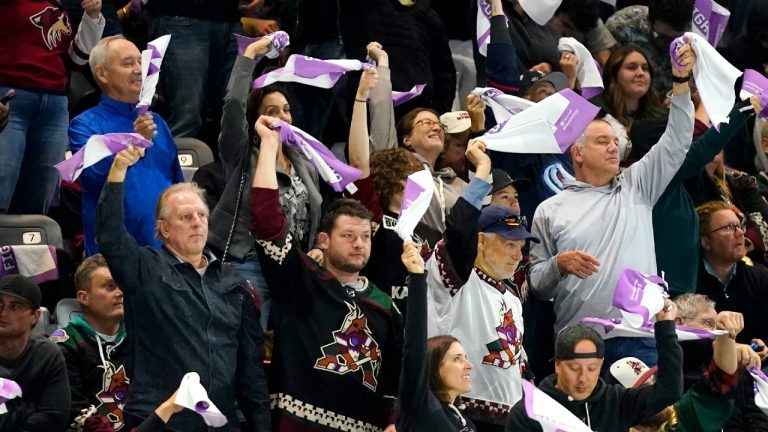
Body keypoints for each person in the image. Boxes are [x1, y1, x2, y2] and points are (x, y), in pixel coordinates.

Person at [528, 41, 696, 367]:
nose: (613, 149)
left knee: (647, 420)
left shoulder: (638, 186)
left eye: (616, 143)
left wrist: (680, 83)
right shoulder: (550, 209)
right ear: (577, 152)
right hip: (579, 345)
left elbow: (677, 139)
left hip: (641, 339)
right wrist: (559, 264)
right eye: (602, 141)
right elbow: (536, 284)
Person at [95, 147, 270, 431]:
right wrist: (117, 174)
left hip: (221, 422)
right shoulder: (144, 268)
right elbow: (110, 236)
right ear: (163, 228)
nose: (197, 223)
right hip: (162, 421)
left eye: (201, 215)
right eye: (186, 217)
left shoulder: (233, 282)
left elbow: (250, 370)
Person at [250, 114, 402, 431]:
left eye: (365, 237)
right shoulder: (300, 279)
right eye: (348, 236)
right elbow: (266, 222)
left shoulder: (385, 307)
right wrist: (268, 146)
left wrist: (391, 422)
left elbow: (392, 383)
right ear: (324, 240)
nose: (359, 244)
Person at [208, 38, 322, 330]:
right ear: (256, 117)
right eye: (272, 111)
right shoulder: (242, 152)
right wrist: (250, 55)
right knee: (250, 348)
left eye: (285, 109)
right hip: (249, 263)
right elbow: (233, 103)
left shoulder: (305, 162)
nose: (282, 116)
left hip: (293, 268)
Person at [426, 140, 539, 430]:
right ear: (480, 241)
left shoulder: (512, 297)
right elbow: (459, 227)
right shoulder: (457, 279)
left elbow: (517, 364)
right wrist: (483, 169)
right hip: (463, 415)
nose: (518, 253)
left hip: (510, 421)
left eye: (521, 246)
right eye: (507, 244)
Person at [69, 35, 183, 257]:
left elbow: (176, 185)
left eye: (141, 62)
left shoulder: (157, 122)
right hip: (115, 256)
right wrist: (135, 139)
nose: (139, 69)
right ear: (102, 74)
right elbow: (97, 176)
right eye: (128, 63)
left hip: (167, 251)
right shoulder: (84, 125)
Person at [504, 301, 683, 431]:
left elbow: (670, 391)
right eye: (574, 368)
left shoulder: (617, 402)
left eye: (592, 368)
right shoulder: (527, 413)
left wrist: (665, 327)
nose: (583, 378)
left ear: (601, 365)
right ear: (557, 365)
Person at [652, 96, 763, 298]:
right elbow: (706, 146)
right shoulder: (656, 177)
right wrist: (742, 110)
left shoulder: (674, 182)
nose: (614, 147)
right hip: (660, 294)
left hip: (684, 295)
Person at [0, 0, 104, 214]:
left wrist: (92, 16)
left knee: (41, 194)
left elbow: (78, 58)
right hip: (10, 99)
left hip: (55, 106)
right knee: (2, 184)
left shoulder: (60, 4)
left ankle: (28, 248)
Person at [397, 241, 477, 431]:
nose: (469, 365)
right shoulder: (421, 406)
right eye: (457, 359)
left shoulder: (466, 424)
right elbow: (414, 350)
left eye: (465, 358)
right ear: (432, 367)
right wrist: (417, 280)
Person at [144, 0, 251, 138]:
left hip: (230, 19)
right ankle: (173, 159)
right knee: (187, 117)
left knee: (236, 115)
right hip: (179, 16)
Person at [51, 254, 130, 431]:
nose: (120, 292)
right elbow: (74, 413)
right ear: (83, 297)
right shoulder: (63, 345)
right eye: (110, 286)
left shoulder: (140, 338)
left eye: (121, 285)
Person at [0, 275, 70, 431]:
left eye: (15, 306)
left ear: (35, 316)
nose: (3, 312)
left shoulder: (48, 355)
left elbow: (54, 420)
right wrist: (27, 409)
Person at [695, 201, 768, 344]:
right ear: (706, 242)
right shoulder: (690, 283)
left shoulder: (759, 277)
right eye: (729, 228)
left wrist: (764, 346)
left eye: (739, 226)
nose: (740, 233)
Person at [396, 107, 469, 232]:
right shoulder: (394, 172)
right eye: (427, 123)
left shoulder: (458, 184)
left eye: (439, 125)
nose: (436, 128)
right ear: (407, 139)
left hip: (449, 250)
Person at [591, 46, 667, 165]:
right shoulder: (595, 112)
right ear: (614, 75)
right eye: (631, 67)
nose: (640, 73)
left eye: (645, 69)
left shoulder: (660, 115)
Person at [606, 0, 695, 95]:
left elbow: (697, 82)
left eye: (678, 39)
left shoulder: (695, 36)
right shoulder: (622, 25)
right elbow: (608, 73)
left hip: (672, 102)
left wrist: (683, 91)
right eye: (664, 37)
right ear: (650, 20)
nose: (671, 44)